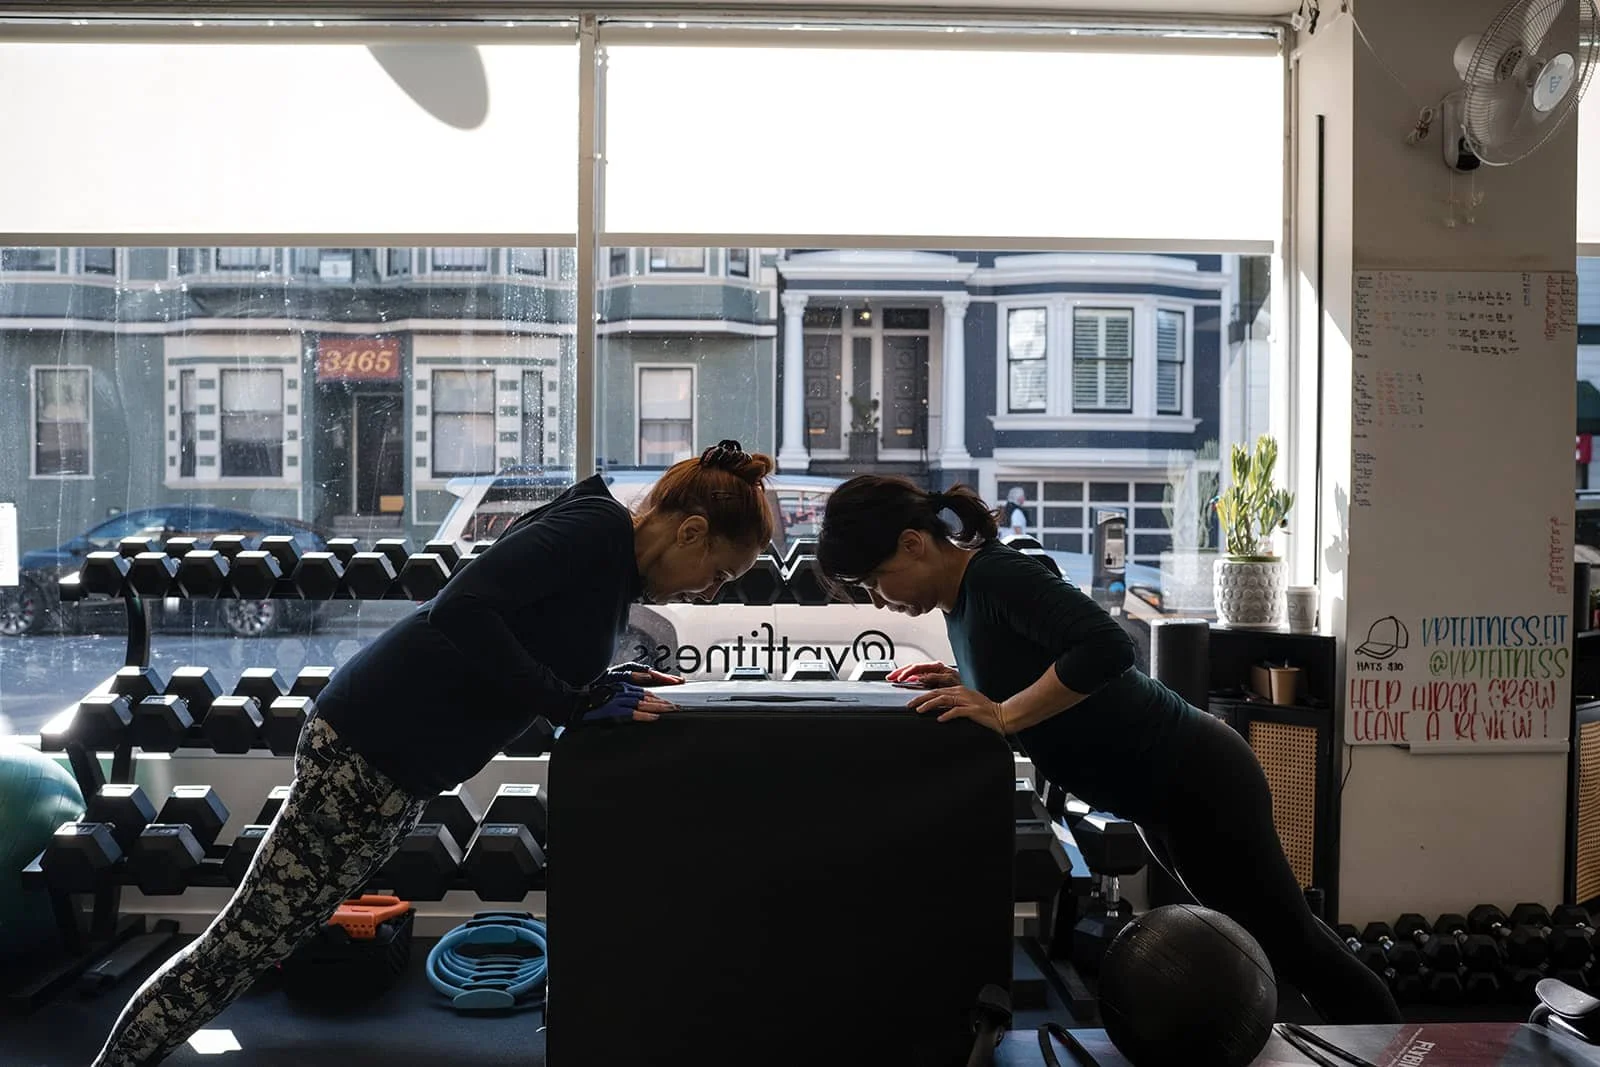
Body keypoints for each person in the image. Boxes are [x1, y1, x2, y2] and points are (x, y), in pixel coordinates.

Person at [93, 440, 776, 1067]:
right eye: (719, 572)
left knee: (252, 941)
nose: (708, 590)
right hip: (366, 749)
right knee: (241, 946)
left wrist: (596, 685)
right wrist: (569, 703)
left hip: (392, 765)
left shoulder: (609, 561)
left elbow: (524, 638)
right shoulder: (594, 530)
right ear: (691, 531)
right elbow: (461, 609)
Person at [814, 475, 1402, 1026]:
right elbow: (1031, 661)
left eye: (874, 581)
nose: (877, 601)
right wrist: (958, 679)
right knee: (1265, 937)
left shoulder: (993, 576)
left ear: (913, 543)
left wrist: (1000, 713)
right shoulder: (962, 601)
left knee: (1289, 942)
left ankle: (1400, 1048)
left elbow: (1106, 645)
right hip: (1161, 794)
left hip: (1197, 776)